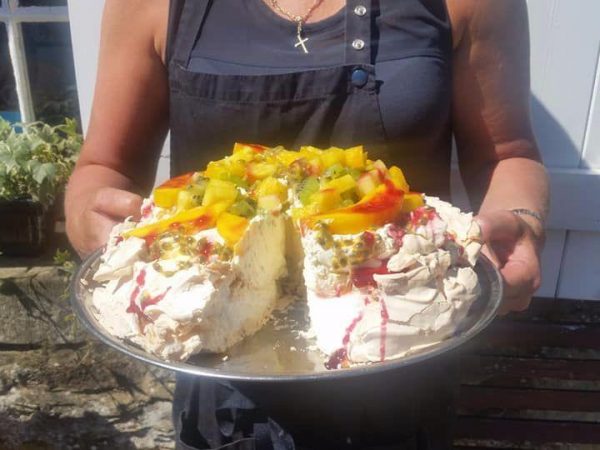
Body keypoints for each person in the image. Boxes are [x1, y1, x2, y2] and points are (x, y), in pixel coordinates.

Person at [65, 0, 549, 448]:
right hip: (218, 377)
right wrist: (90, 215)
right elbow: (104, 167)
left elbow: (507, 153)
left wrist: (522, 221)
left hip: (404, 370)